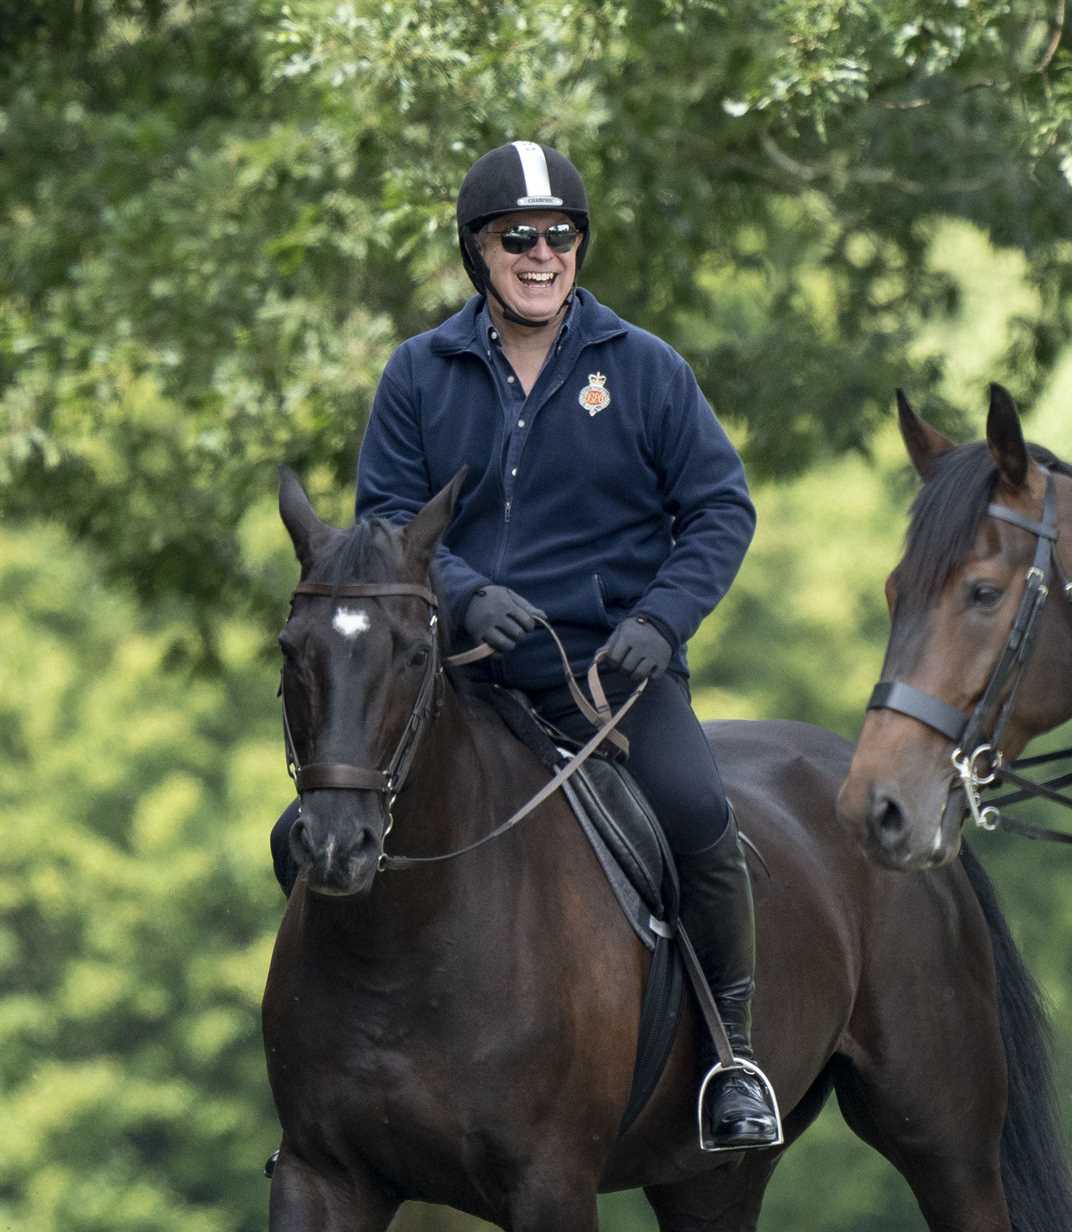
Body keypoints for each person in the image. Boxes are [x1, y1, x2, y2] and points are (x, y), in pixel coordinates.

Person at [278, 139, 780, 1152]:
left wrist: (658, 620)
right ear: (478, 251)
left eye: (559, 237)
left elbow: (720, 509)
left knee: (697, 812)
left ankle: (733, 1060)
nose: (541, 254)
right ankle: (332, 1063)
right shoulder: (418, 373)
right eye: (518, 238)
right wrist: (462, 597)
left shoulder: (644, 369)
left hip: (610, 675)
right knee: (312, 822)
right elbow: (383, 517)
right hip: (457, 675)